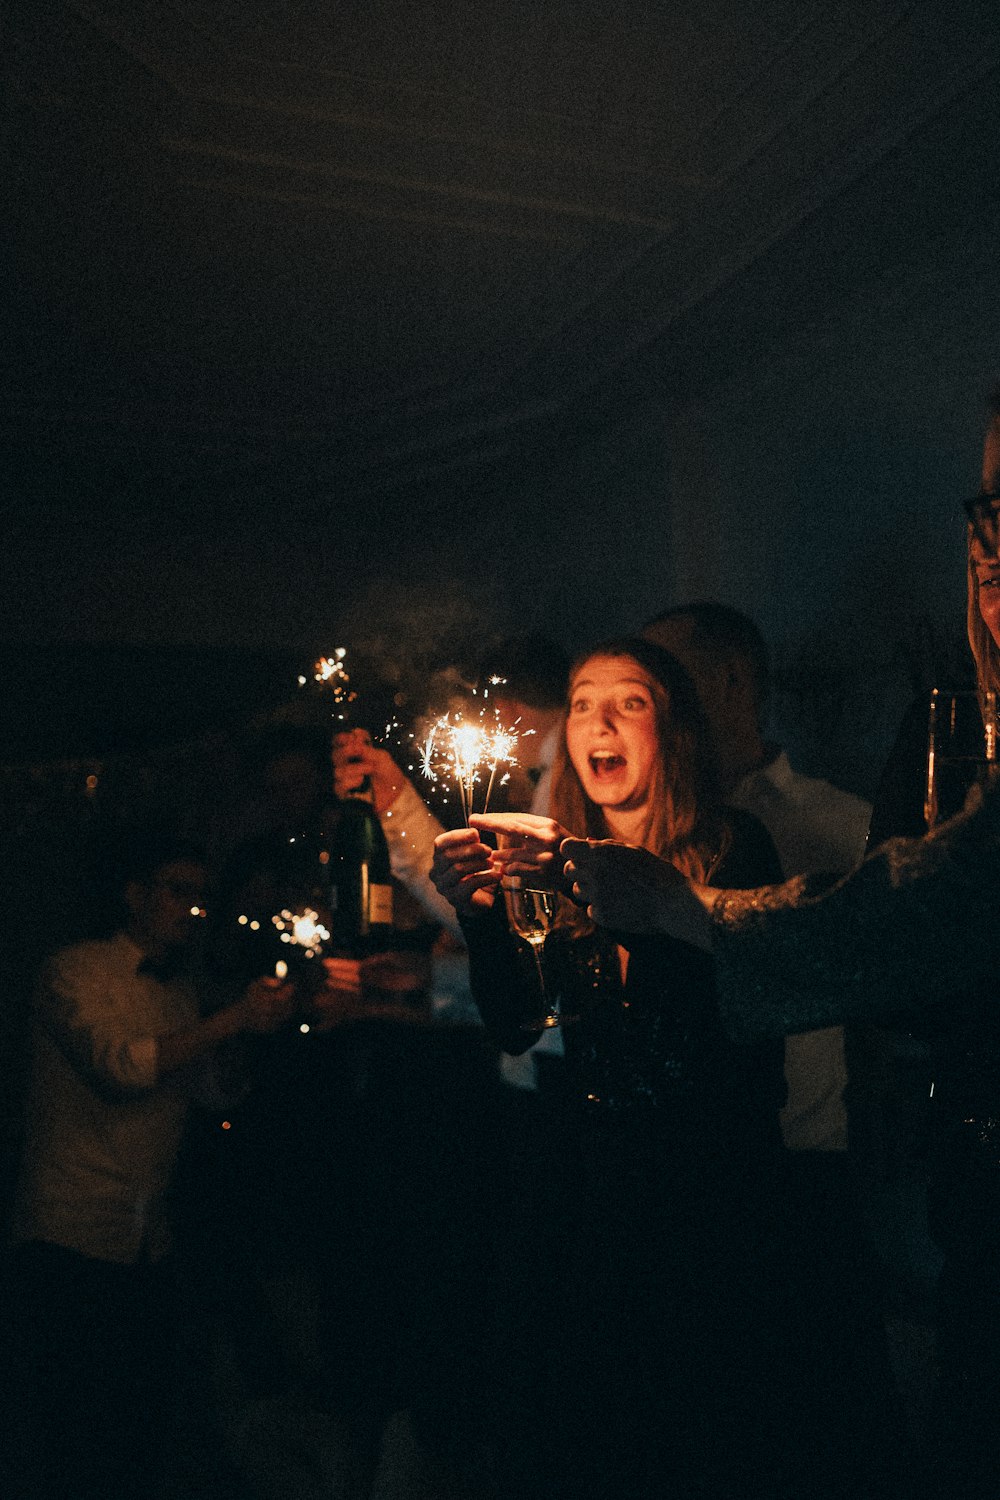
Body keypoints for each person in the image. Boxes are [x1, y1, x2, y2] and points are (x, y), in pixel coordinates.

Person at [431, 638, 793, 1499]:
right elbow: (520, 1026)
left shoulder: (733, 848)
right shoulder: (550, 865)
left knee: (700, 1443)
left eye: (628, 701)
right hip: (590, 1195)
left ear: (674, 729)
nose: (599, 721)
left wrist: (603, 890)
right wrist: (481, 913)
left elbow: (719, 1022)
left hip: (713, 1201)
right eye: (583, 701)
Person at [642, 602, 903, 1491]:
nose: (650, 703)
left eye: (664, 680)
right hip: (689, 1160)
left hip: (803, 1159)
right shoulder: (633, 822)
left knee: (815, 1423)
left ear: (726, 685)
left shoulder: (836, 823)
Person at [8, 829, 295, 1500]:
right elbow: (118, 1068)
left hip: (148, 1243)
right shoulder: (73, 970)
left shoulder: (180, 992)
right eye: (179, 891)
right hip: (69, 1238)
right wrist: (231, 1020)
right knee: (64, 1435)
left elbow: (211, 1094)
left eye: (202, 896)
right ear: (135, 896)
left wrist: (254, 1036)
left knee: (136, 1430)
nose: (194, 909)